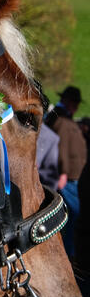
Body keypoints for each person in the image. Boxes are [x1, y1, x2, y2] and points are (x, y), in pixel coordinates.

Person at [46, 86, 87, 258]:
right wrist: (63, 172)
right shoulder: (61, 119)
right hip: (66, 178)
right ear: (69, 102)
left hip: (70, 177)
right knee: (70, 215)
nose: (77, 107)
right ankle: (66, 255)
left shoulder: (64, 118)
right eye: (75, 103)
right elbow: (60, 146)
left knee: (71, 216)